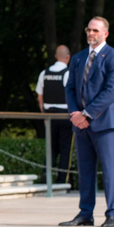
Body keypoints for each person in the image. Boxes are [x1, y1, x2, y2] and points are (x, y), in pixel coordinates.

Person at [61, 17, 114, 227]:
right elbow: (70, 88)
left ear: (105, 33)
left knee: (109, 169)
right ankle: (85, 213)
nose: (90, 33)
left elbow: (112, 91)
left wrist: (86, 114)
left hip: (104, 123)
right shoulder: (78, 58)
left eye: (95, 30)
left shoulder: (113, 57)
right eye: (88, 29)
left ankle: (113, 213)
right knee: (85, 170)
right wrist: (75, 114)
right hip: (80, 124)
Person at [36, 45, 72, 184]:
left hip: (49, 115)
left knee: (50, 147)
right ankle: (62, 180)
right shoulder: (68, 73)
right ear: (68, 57)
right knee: (65, 148)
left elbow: (40, 97)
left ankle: (46, 175)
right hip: (64, 115)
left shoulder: (44, 73)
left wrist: (44, 114)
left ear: (56, 56)